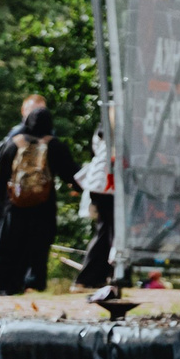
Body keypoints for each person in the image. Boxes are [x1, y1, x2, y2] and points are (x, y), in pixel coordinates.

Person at [0, 105, 81, 295]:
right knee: (39, 247)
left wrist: (5, 201)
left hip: (15, 204)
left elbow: (1, 177)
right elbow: (71, 174)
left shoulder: (13, 143)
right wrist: (79, 189)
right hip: (44, 206)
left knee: (6, 245)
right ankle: (32, 285)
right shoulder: (54, 145)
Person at [73, 118, 115, 290]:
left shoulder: (103, 127)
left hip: (100, 182)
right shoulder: (116, 127)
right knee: (107, 229)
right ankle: (87, 278)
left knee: (108, 229)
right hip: (105, 183)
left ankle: (98, 276)